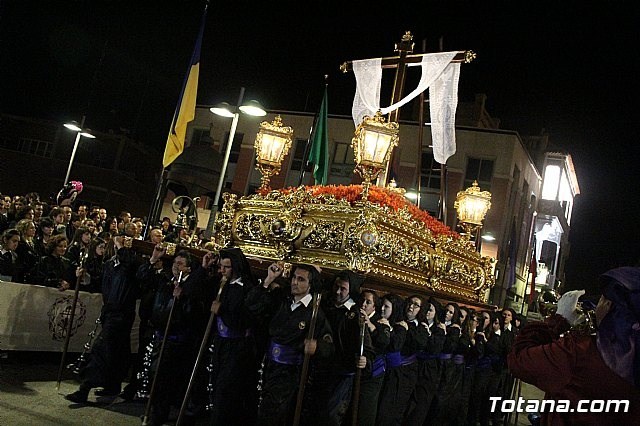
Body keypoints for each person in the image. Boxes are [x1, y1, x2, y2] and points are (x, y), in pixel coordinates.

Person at [508, 267, 640, 425]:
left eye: (601, 300)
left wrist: (559, 320)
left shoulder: (579, 352)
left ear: (608, 305)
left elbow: (519, 358)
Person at [246, 263, 334, 426]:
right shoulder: (282, 300)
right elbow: (253, 306)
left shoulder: (315, 313)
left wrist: (317, 346)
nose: (295, 282)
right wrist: (269, 280)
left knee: (277, 415)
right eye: (294, 277)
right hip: (268, 366)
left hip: (290, 375)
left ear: (310, 285)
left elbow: (328, 344)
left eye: (301, 279)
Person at [138, 247, 214, 425]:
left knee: (166, 380)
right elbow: (144, 279)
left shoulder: (193, 286)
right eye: (174, 263)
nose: (175, 266)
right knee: (157, 376)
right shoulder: (167, 281)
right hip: (160, 335)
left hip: (177, 340)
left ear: (188, 268)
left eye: (180, 264)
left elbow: (193, 310)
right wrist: (153, 259)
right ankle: (156, 410)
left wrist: (182, 297)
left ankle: (160, 414)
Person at [65, 234, 139, 403]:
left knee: (101, 349)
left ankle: (85, 388)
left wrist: (123, 248)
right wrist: (84, 277)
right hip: (109, 311)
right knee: (116, 351)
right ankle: (112, 385)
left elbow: (128, 264)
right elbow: (100, 284)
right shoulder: (109, 264)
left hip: (122, 313)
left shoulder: (131, 265)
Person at [306, 269, 372, 426]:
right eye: (336, 286)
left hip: (340, 374)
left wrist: (365, 360)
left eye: (343, 289)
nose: (337, 291)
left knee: (330, 415)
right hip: (318, 367)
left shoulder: (355, 315)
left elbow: (367, 347)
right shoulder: (323, 304)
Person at [207, 247, 258, 425]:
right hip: (220, 342)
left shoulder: (247, 288)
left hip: (236, 347)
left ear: (236, 267)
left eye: (226, 267)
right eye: (221, 266)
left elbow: (246, 319)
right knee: (215, 385)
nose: (222, 270)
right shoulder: (222, 283)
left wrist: (222, 311)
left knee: (226, 390)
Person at [376, 295, 429, 426]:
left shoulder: (421, 328)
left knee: (395, 409)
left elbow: (419, 343)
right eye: (410, 303)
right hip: (387, 369)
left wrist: (404, 330)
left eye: (416, 305)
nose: (411, 306)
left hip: (406, 373)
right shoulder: (397, 319)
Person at [356, 289, 390, 426]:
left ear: (374, 307)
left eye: (368, 302)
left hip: (373, 374)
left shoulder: (380, 321)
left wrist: (369, 324)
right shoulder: (355, 314)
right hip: (356, 369)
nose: (363, 304)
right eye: (363, 300)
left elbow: (383, 341)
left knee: (365, 411)